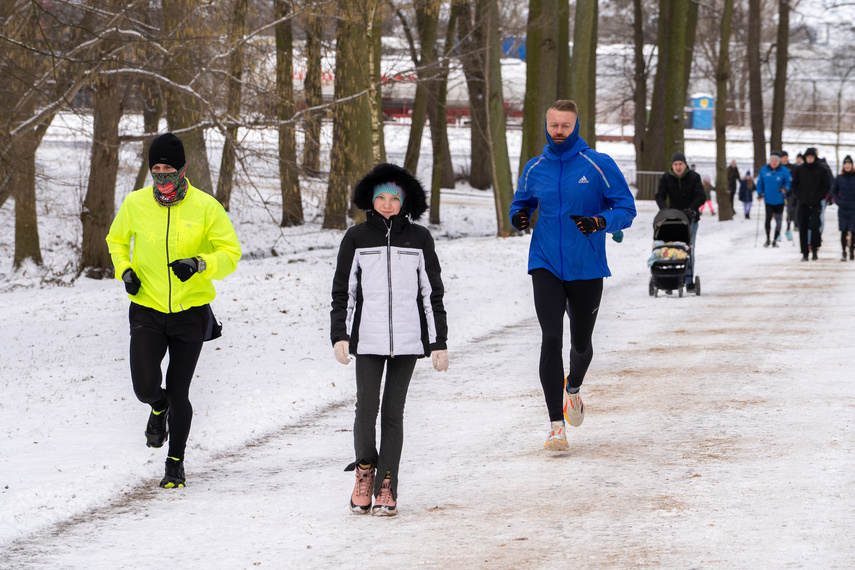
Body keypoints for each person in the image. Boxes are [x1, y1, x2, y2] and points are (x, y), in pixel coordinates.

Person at [106, 133, 242, 489]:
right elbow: (116, 240)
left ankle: (175, 463)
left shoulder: (206, 207)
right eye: (156, 169)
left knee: (179, 390)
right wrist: (126, 270)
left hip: (190, 312)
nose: (162, 176)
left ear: (183, 169)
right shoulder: (136, 204)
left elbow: (230, 254)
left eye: (168, 169)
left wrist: (199, 264)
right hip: (147, 307)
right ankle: (157, 407)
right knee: (145, 386)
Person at [509, 99, 636, 452]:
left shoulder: (598, 164)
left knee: (580, 344)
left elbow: (626, 208)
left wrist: (600, 222)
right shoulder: (535, 168)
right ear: (546, 126)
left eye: (565, 125)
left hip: (586, 267)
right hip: (545, 263)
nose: (559, 131)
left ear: (576, 125)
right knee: (551, 338)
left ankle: (574, 387)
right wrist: (518, 216)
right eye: (553, 125)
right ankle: (555, 426)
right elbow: (522, 203)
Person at [330, 163, 448, 517]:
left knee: (393, 413)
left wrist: (438, 341)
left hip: (409, 343)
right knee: (366, 410)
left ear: (404, 201)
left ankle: (387, 484)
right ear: (370, 199)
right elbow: (343, 292)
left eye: (392, 198)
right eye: (379, 197)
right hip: (367, 341)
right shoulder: (356, 238)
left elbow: (432, 293)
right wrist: (340, 335)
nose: (385, 204)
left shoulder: (419, 239)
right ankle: (365, 472)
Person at [655, 151, 705, 289]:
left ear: (685, 164)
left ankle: (688, 281)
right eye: (675, 164)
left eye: (680, 164)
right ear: (672, 165)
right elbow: (659, 195)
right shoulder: (666, 178)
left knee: (689, 249)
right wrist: (664, 209)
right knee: (671, 248)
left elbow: (701, 196)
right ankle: (671, 280)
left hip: (691, 219)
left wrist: (692, 208)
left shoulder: (694, 177)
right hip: (672, 219)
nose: (678, 167)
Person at [792, 147, 833, 261]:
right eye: (808, 157)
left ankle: (815, 249)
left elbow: (826, 185)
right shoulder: (800, 170)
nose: (810, 159)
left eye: (812, 157)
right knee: (803, 227)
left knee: (815, 227)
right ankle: (805, 252)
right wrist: (798, 195)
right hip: (803, 203)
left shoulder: (821, 170)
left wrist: (820, 196)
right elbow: (794, 184)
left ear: (815, 158)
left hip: (816, 203)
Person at [756, 151, 791, 247]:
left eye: (776, 160)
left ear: (779, 162)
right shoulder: (764, 170)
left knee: (778, 221)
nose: (774, 162)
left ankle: (775, 240)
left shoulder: (783, 170)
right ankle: (767, 239)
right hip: (768, 200)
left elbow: (788, 181)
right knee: (768, 219)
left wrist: (785, 188)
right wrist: (759, 193)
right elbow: (760, 182)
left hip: (780, 200)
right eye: (772, 160)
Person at [831, 155, 855, 261]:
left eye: (849, 163)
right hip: (843, 207)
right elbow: (833, 191)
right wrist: (838, 201)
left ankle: (851, 251)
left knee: (853, 230)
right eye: (845, 164)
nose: (847, 166)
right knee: (843, 230)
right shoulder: (840, 178)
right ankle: (844, 252)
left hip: (853, 207)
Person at [781, 151, 798, 238]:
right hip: (780, 193)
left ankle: (789, 226)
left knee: (790, 210)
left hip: (790, 193)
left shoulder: (792, 168)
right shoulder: (778, 168)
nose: (784, 159)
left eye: (786, 157)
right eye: (783, 157)